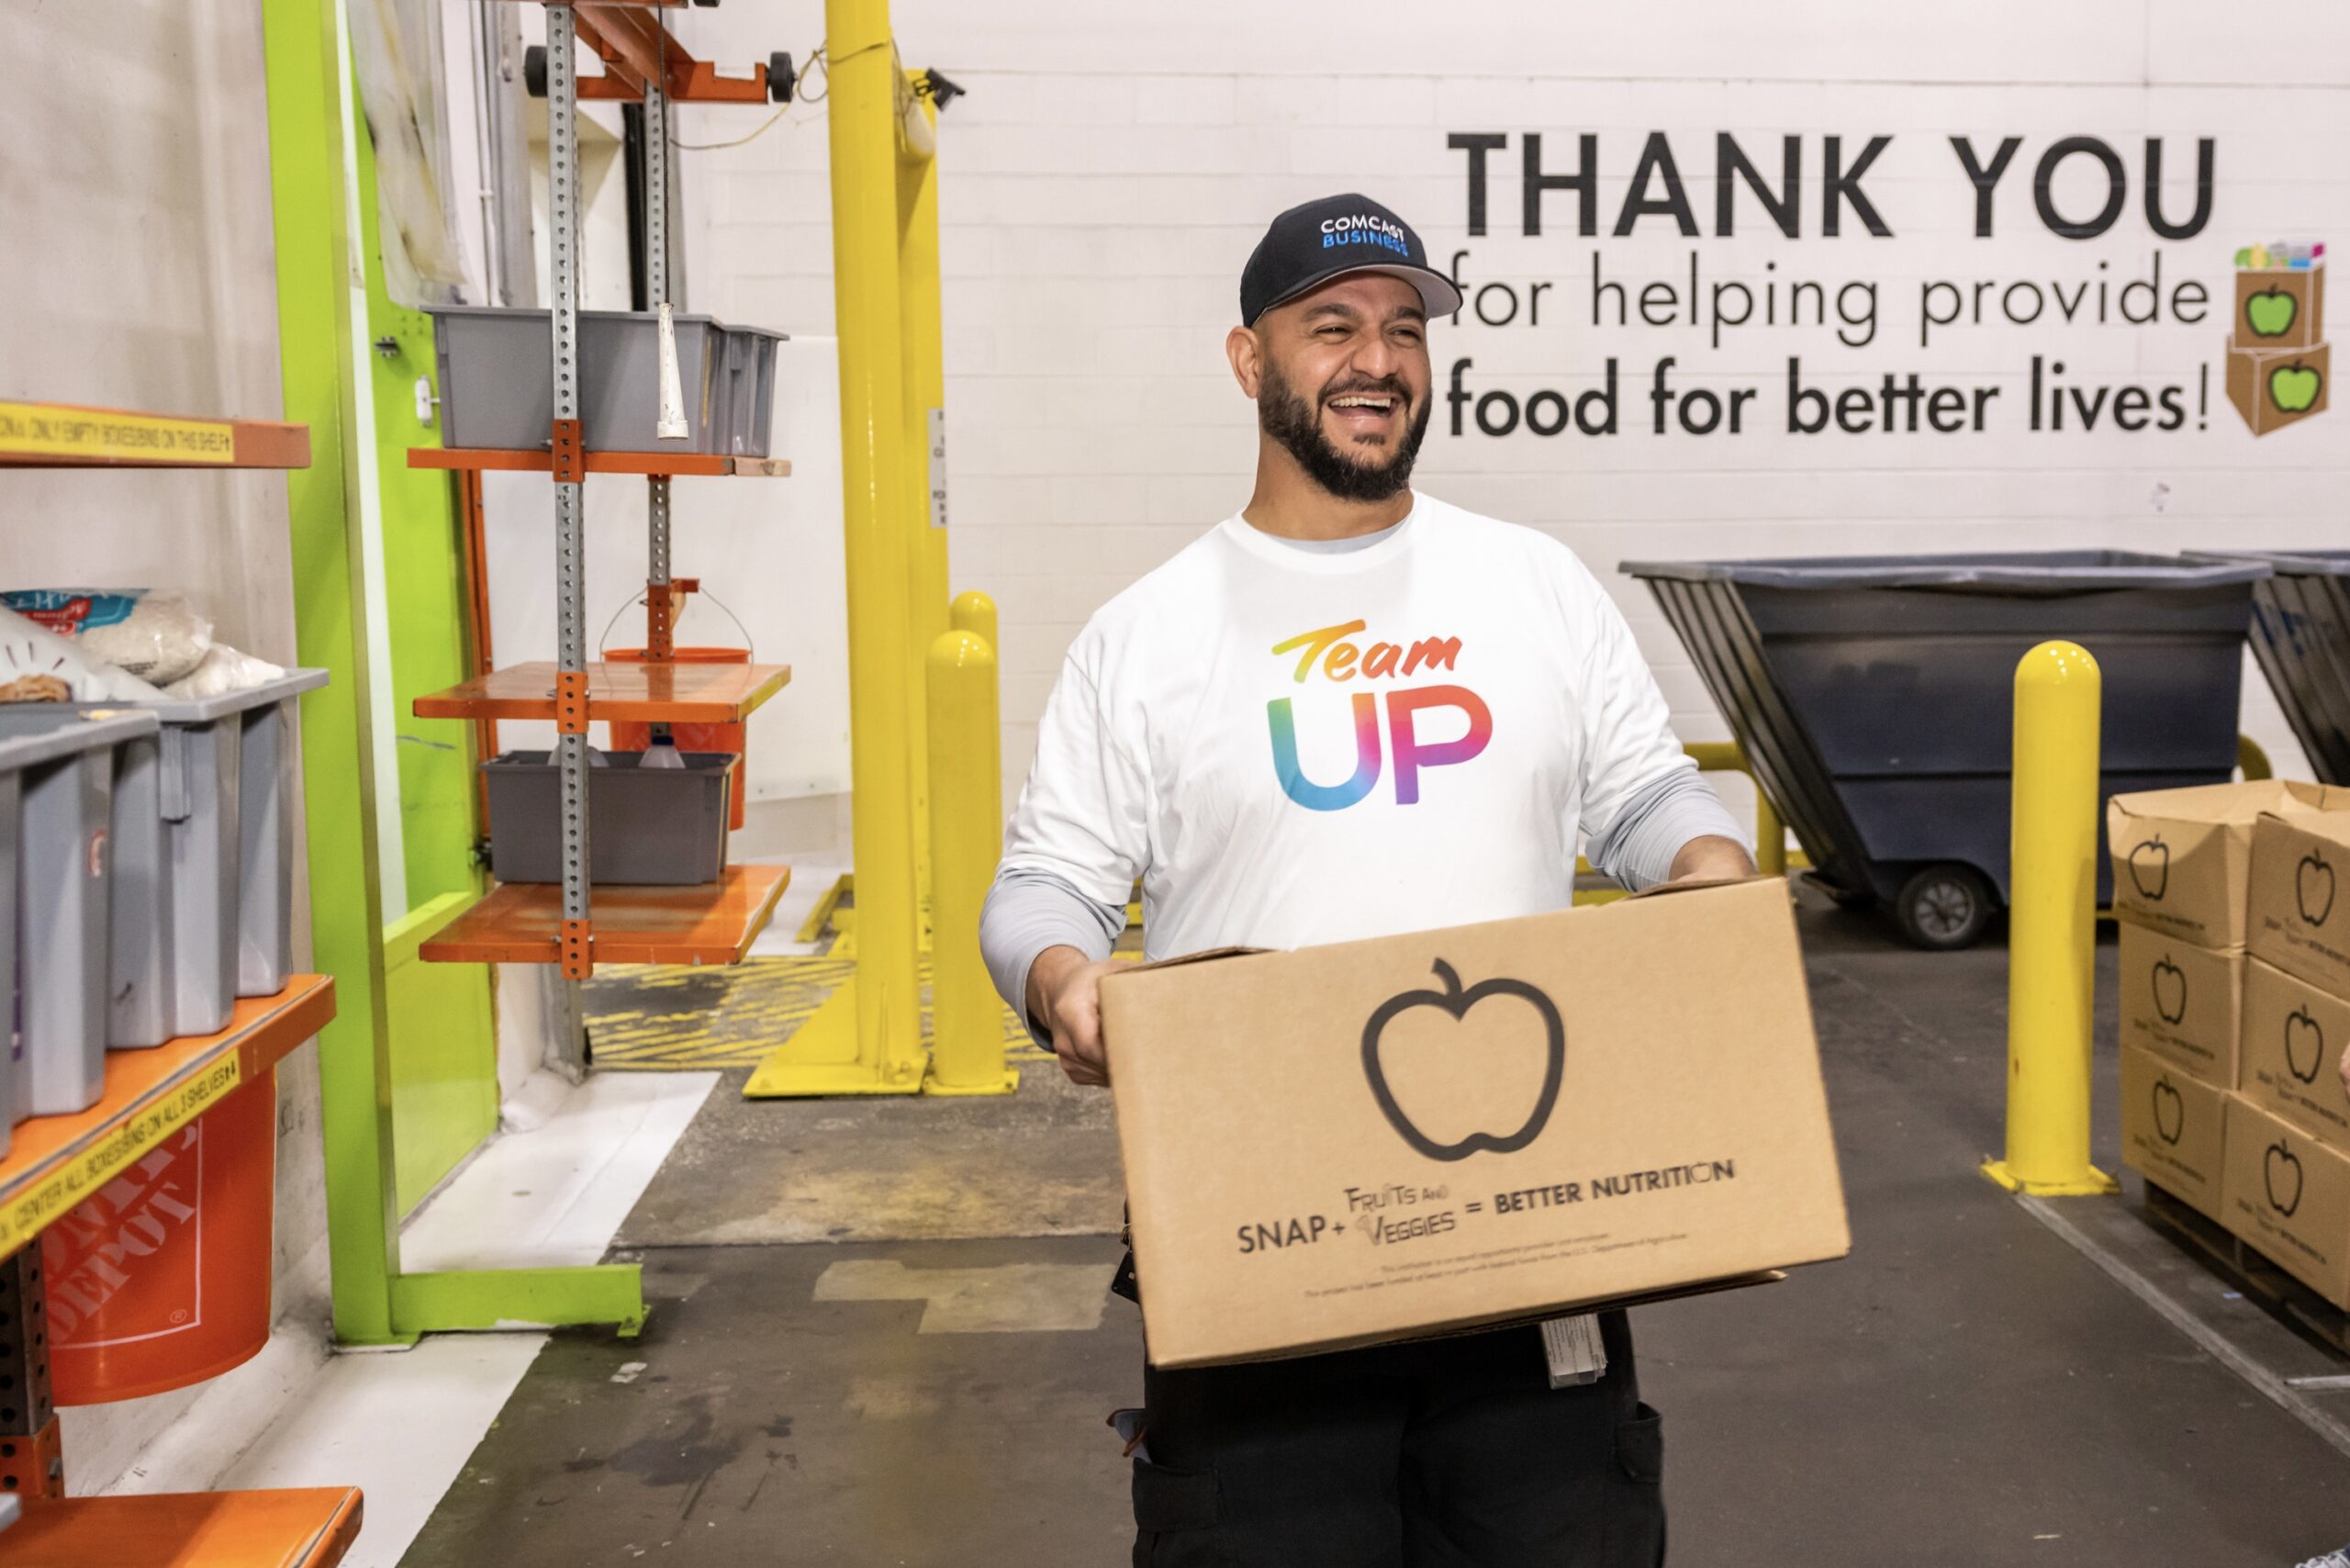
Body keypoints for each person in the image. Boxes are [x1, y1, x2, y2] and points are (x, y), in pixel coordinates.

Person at [978, 192, 1754, 1566]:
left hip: (1531, 1225)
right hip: (1261, 1236)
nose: (1377, 361)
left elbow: (1646, 797)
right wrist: (1065, 983)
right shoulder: (1149, 634)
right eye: (1331, 327)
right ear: (1248, 359)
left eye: (1405, 329)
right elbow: (1045, 886)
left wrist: (1703, 872)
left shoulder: (1533, 588)